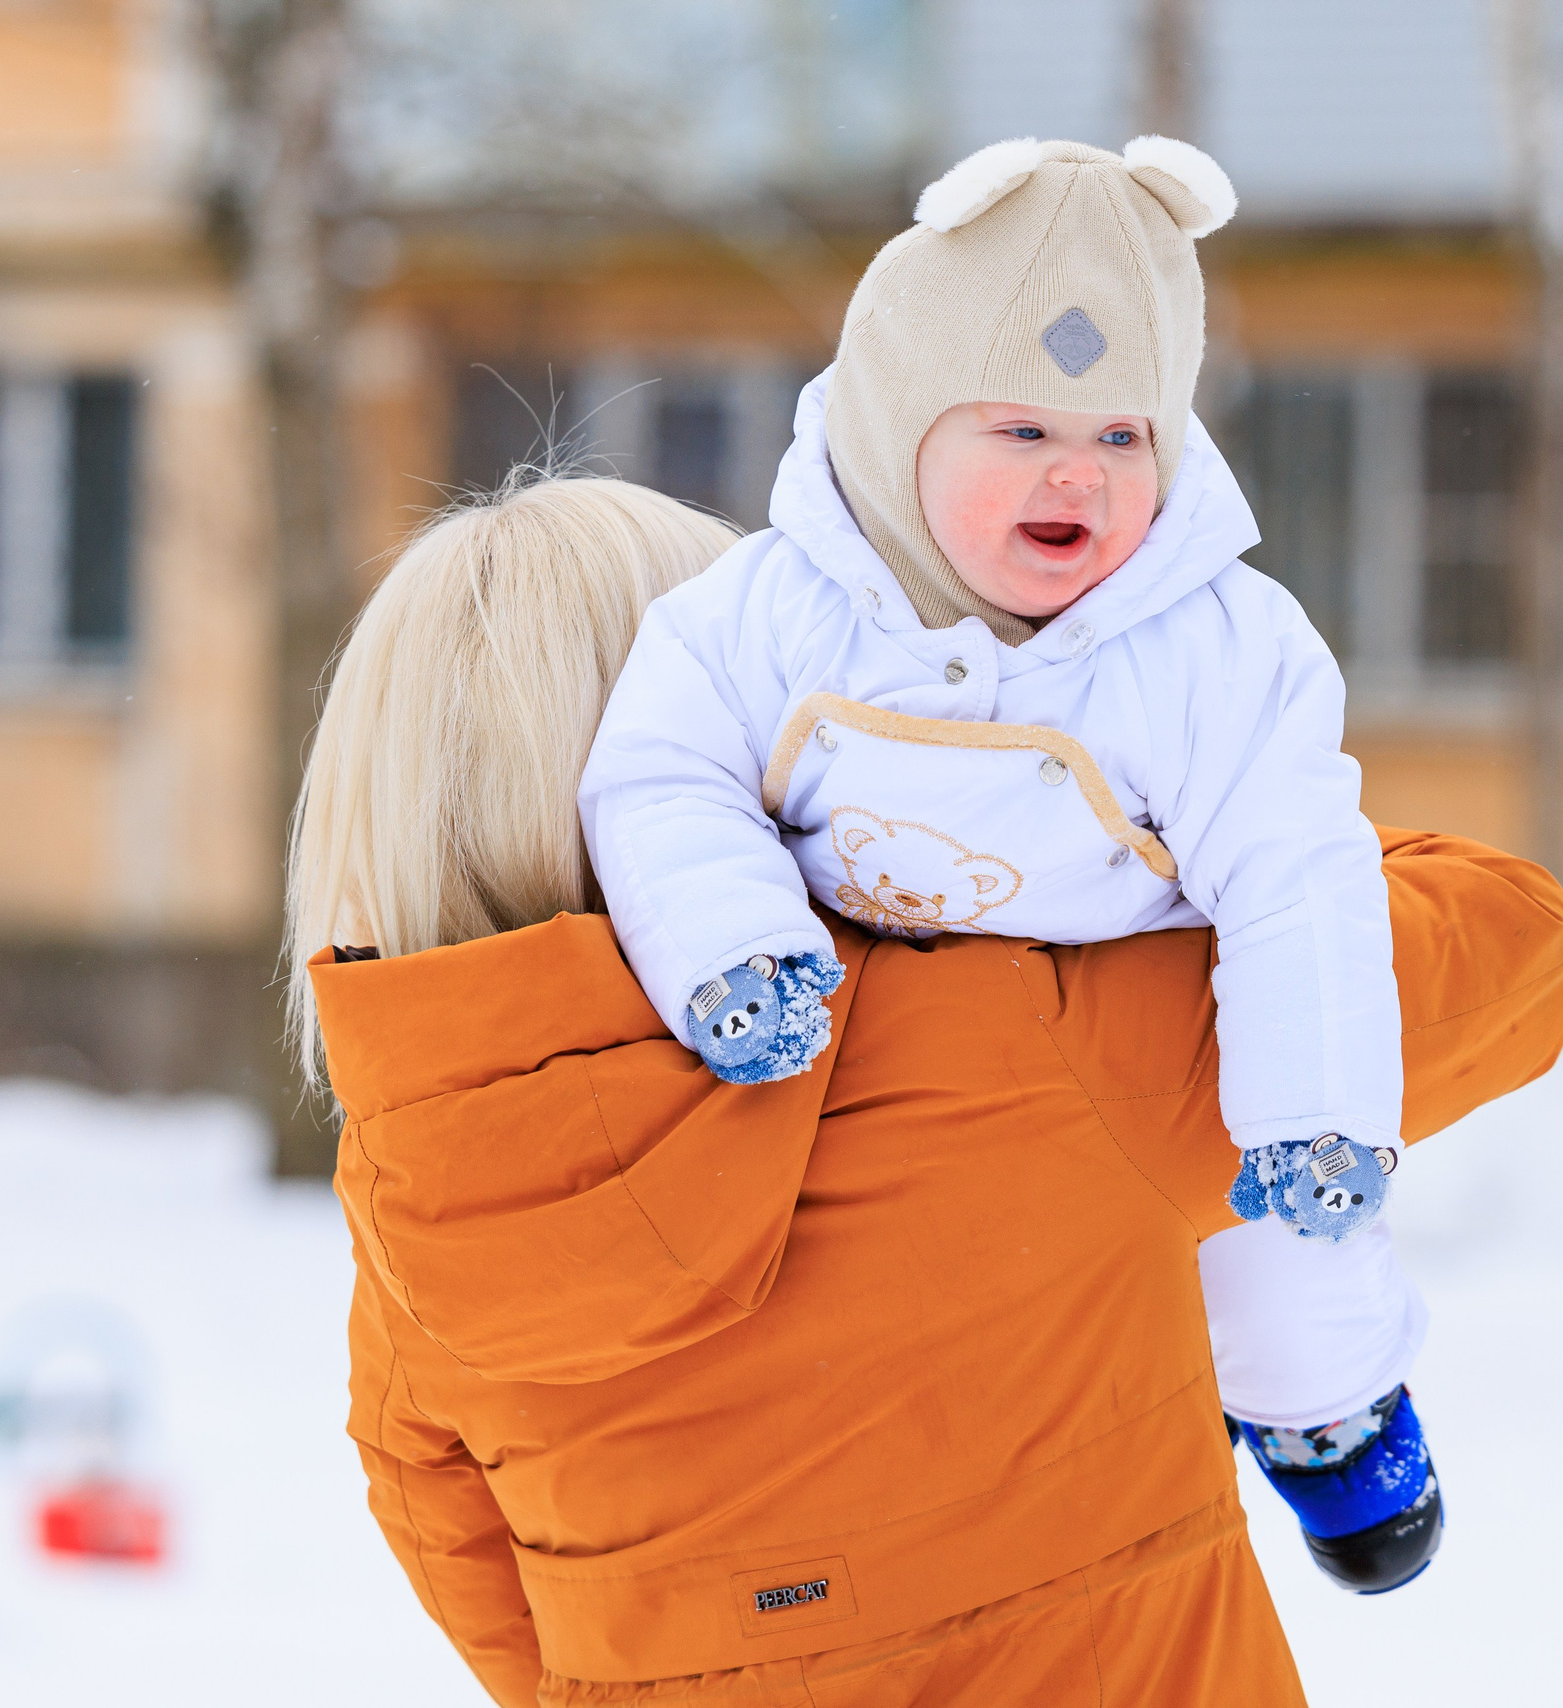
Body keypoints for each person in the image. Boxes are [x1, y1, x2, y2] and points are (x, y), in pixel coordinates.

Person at [287, 474, 1563, 1703]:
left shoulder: (421, 1198)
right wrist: (1163, 838)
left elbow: (460, 1554)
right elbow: (1517, 945)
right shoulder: (1026, 1027)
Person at [577, 137, 1433, 1587]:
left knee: (1272, 1270)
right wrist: (732, 949)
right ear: (900, 425)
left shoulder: (1218, 649)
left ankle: (1325, 1415)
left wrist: (1318, 1116)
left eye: (1121, 438)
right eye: (1022, 430)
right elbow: (663, 777)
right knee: (890, 1298)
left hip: (1149, 1036)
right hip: (871, 1043)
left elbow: (1298, 877)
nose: (1078, 476)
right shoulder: (765, 616)